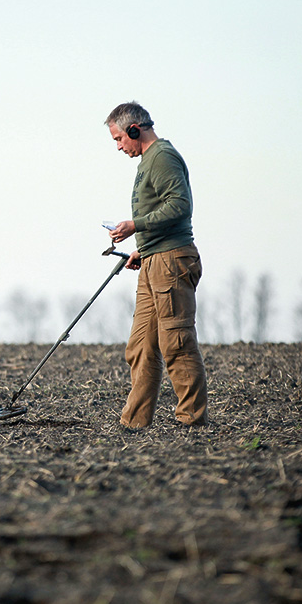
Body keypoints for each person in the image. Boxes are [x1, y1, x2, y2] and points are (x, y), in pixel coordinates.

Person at [104, 102, 208, 428]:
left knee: (176, 343)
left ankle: (192, 423)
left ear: (135, 130)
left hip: (171, 262)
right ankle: (133, 424)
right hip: (153, 259)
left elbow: (179, 206)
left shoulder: (161, 156)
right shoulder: (147, 161)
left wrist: (136, 226)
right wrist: (142, 248)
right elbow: (161, 213)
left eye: (120, 139)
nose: (119, 147)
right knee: (141, 347)